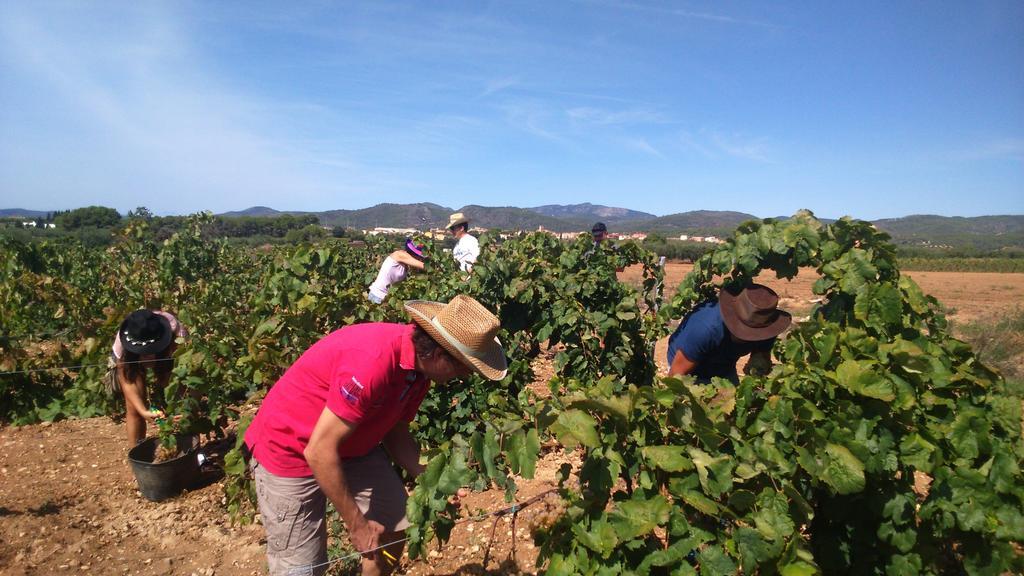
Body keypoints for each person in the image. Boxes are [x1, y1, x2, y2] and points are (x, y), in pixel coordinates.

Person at [244, 295, 507, 576]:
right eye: (464, 368)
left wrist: (435, 481)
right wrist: (357, 526)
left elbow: (396, 433)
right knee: (301, 568)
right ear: (440, 355)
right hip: (291, 451)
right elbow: (318, 452)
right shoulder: (373, 361)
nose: (464, 376)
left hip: (352, 446)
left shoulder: (419, 373)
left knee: (396, 523)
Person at [667, 283, 791, 384]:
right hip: (688, 368)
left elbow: (761, 358)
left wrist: (757, 373)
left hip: (725, 367)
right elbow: (675, 377)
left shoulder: (766, 326)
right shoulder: (706, 328)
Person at [108, 309, 188, 445]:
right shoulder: (122, 345)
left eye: (151, 351)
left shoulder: (176, 333)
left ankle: (185, 446)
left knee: (178, 400)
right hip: (133, 362)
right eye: (144, 353)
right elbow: (127, 381)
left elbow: (188, 371)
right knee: (133, 409)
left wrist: (187, 409)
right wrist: (143, 411)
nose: (148, 356)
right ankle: (137, 454)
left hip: (166, 357)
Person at [367, 238, 428, 304]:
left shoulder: (406, 264)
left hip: (386, 298)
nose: (420, 259)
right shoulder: (399, 255)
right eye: (419, 257)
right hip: (377, 296)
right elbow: (425, 266)